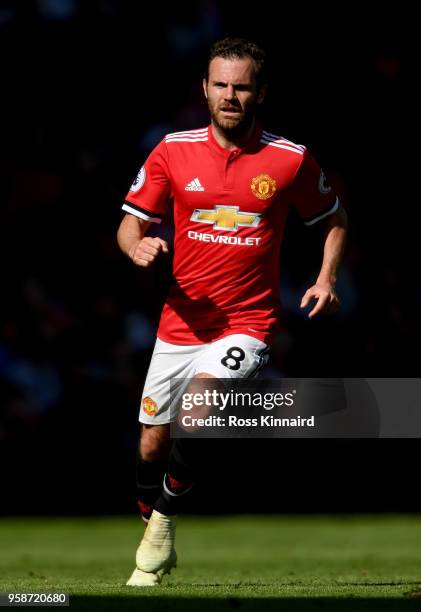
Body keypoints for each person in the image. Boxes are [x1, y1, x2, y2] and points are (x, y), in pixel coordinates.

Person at [117, 37, 348, 586]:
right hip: (180, 322)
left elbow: (334, 218)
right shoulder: (171, 150)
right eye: (220, 84)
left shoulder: (289, 159)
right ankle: (154, 524)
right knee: (152, 441)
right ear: (204, 88)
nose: (229, 96)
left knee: (199, 407)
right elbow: (130, 220)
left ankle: (160, 536)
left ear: (260, 93)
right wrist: (136, 246)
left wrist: (326, 279)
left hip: (248, 322)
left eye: (241, 86)